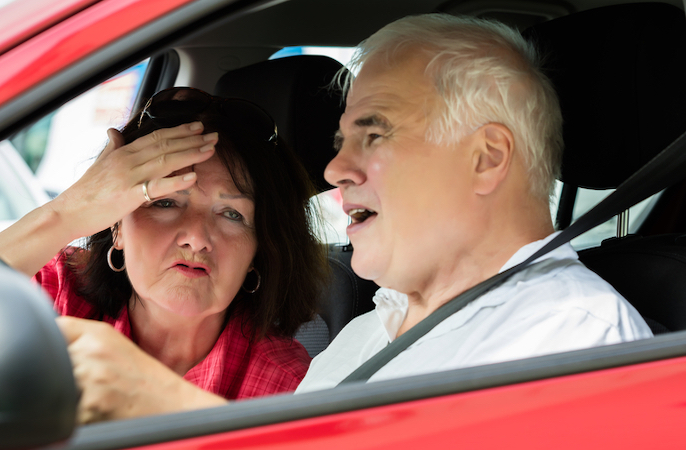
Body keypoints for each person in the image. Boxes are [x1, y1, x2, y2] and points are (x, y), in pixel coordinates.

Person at [49, 13, 654, 417]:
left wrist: (172, 413)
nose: (335, 170)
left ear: (487, 157)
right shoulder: (367, 334)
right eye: (340, 140)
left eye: (374, 133)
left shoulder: (576, 342)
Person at [0, 87, 328, 422]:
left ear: (259, 251)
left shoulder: (284, 386)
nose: (196, 238)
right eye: (165, 202)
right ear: (116, 225)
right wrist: (66, 213)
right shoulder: (52, 292)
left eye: (232, 214)